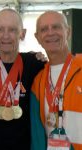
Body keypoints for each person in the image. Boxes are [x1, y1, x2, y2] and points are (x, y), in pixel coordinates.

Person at [0, 8, 45, 150]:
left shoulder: (35, 64)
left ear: (22, 33)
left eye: (12, 30)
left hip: (21, 145)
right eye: (0, 30)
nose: (5, 36)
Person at [31, 10, 82, 150]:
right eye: (44, 29)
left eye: (56, 27)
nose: (50, 32)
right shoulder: (38, 81)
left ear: (68, 31)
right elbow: (37, 132)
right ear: (37, 37)